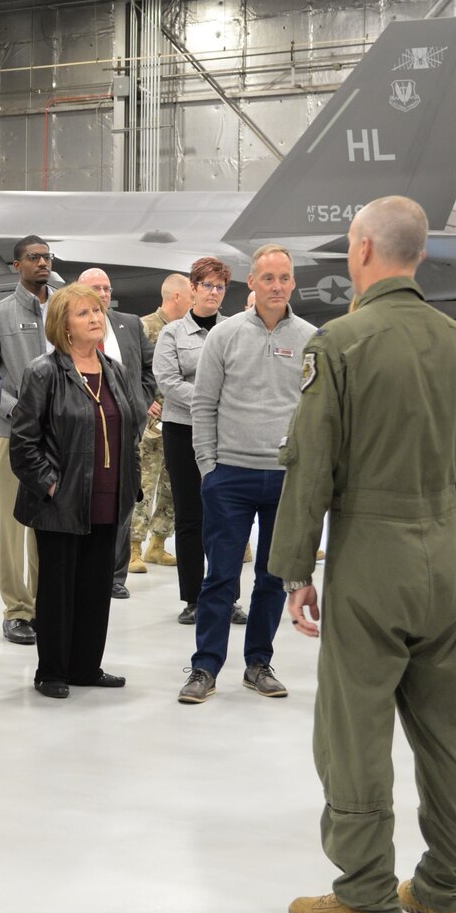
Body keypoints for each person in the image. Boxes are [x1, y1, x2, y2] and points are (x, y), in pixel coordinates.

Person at [270, 196, 456, 913]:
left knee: (354, 726)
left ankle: (365, 893)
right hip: (442, 555)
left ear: (363, 248)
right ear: (420, 254)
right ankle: (449, 887)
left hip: (370, 554)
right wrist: (453, 557)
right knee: (448, 731)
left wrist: (296, 566)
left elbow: (312, 466)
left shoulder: (340, 343)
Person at [180, 245, 316, 704]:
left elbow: (316, 411)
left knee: (272, 578)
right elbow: (203, 403)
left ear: (293, 283)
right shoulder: (225, 335)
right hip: (229, 477)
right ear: (253, 284)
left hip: (284, 480)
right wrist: (208, 469)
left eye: (285, 277)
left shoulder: (311, 338)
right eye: (268, 278)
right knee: (220, 577)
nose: (277, 286)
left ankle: (258, 663)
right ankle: (205, 667)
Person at [7, 283, 146, 696]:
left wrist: (131, 485)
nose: (95, 319)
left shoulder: (114, 371)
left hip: (107, 498)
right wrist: (51, 487)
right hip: (61, 503)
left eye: (98, 311)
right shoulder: (43, 372)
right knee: (57, 591)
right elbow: (24, 442)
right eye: (84, 313)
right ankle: (51, 671)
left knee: (95, 588)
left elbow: (130, 434)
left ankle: (86, 666)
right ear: (63, 326)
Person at [0, 237, 56, 644]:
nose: (42, 262)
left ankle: (47, 603)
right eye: (34, 257)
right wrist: (17, 409)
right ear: (17, 266)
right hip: (15, 434)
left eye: (46, 257)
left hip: (60, 436)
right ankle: (17, 610)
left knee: (50, 522)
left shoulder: (65, 306)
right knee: (15, 524)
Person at [153, 257, 230, 625]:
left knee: (226, 515)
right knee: (189, 515)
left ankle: (225, 597)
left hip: (225, 432)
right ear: (193, 289)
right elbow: (168, 383)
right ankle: (194, 598)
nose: (213, 293)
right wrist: (210, 396)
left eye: (220, 287)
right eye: (208, 286)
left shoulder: (234, 330)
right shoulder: (172, 334)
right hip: (183, 429)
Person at [76, 268, 157, 597]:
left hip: (126, 430)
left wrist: (141, 403)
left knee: (121, 502)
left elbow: (150, 367)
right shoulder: (70, 327)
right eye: (96, 288)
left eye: (107, 288)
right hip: (83, 431)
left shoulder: (131, 324)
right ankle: (84, 569)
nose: (103, 294)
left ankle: (115, 577)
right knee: (86, 501)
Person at [134, 274, 188, 569]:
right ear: (177, 296)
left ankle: (158, 544)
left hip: (179, 420)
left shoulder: (187, 331)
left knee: (173, 487)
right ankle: (132, 547)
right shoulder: (145, 327)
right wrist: (144, 401)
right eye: (190, 295)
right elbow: (129, 370)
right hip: (151, 425)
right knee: (144, 485)